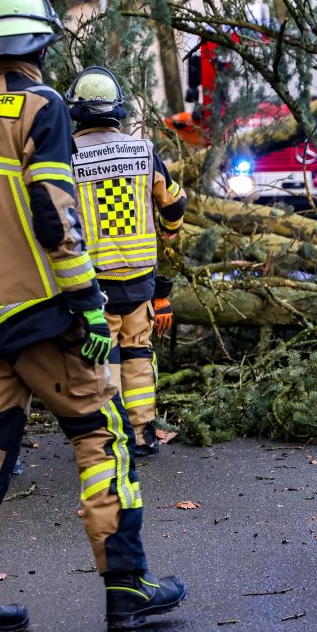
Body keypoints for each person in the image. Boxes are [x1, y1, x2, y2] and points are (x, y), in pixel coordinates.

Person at [0, 0, 186, 632]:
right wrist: (88, 308)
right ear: (41, 42)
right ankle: (127, 587)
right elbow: (56, 217)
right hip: (46, 317)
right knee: (102, 435)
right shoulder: (39, 107)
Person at [66, 66, 186, 456]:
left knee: (106, 355)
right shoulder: (144, 150)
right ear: (117, 108)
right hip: (139, 277)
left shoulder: (68, 154)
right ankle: (143, 434)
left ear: (77, 110)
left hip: (93, 280)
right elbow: (174, 202)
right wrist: (170, 227)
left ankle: (110, 437)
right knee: (137, 351)